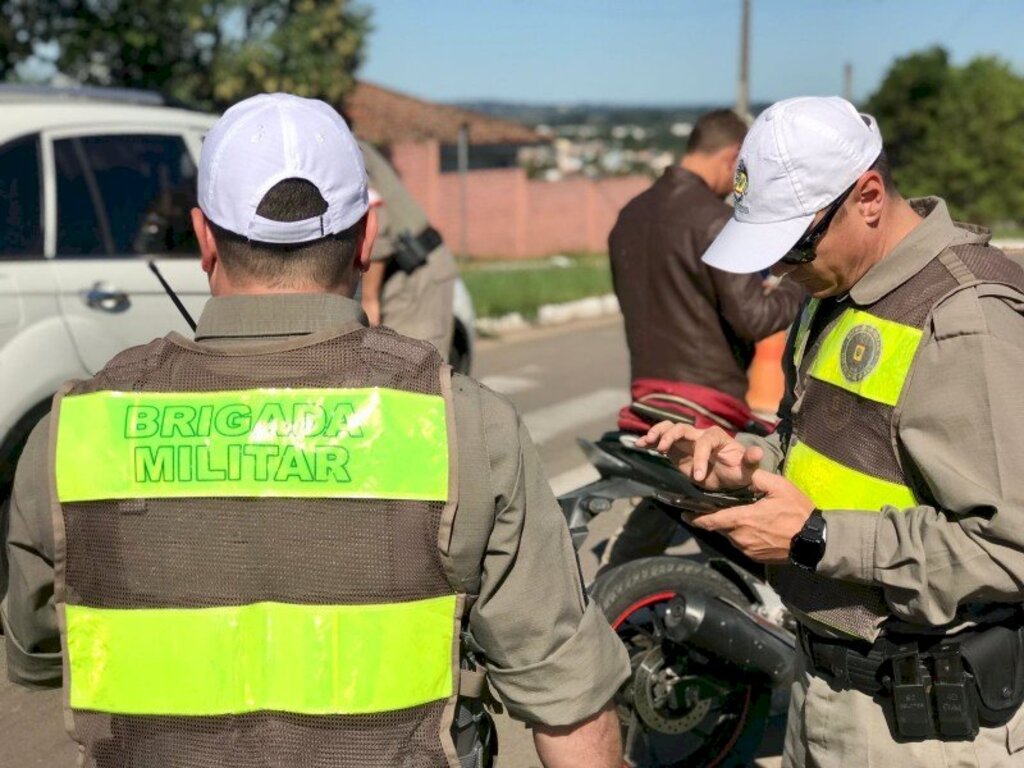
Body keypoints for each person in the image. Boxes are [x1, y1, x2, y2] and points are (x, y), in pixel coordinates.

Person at [1, 93, 628, 768]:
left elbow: (36, 652)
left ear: (204, 238)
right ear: (367, 237)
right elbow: (565, 698)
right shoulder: (466, 424)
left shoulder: (74, 431)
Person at [639, 96, 1024, 766]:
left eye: (794, 246)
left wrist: (816, 540)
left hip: (922, 727)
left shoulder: (965, 319)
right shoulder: (837, 294)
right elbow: (826, 451)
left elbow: (1008, 548)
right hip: (820, 687)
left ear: (868, 197)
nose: (780, 272)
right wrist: (748, 465)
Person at [605, 108, 803, 568]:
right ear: (731, 157)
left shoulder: (630, 215)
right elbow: (755, 317)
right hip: (706, 401)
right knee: (755, 506)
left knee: (667, 501)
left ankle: (615, 584)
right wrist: (799, 283)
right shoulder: (715, 221)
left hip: (646, 394)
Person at [358, 138, 459, 362]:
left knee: (411, 375)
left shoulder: (332, 143)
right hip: (403, 269)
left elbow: (376, 219)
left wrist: (368, 299)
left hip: (412, 275)